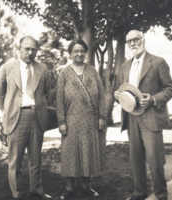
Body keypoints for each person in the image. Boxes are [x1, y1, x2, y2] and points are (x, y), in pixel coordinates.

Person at [114, 30, 172, 200]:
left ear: (143, 40)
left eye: (136, 39)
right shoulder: (125, 66)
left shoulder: (158, 62)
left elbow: (170, 89)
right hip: (131, 118)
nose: (133, 43)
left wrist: (153, 100)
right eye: (129, 41)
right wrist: (118, 97)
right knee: (136, 159)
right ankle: (139, 193)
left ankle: (161, 195)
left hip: (151, 118)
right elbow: (124, 90)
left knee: (156, 161)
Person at [0, 36, 52, 200]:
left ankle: (36, 190)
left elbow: (46, 92)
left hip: (37, 116)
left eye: (33, 49)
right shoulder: (7, 68)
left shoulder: (43, 68)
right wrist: (9, 110)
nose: (30, 52)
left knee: (36, 159)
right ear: (19, 49)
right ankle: (18, 193)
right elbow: (0, 94)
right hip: (16, 117)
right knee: (15, 160)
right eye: (26, 49)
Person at [57, 39, 107, 200]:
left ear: (85, 53)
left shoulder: (92, 71)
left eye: (82, 51)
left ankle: (86, 187)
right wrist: (61, 121)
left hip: (90, 121)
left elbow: (101, 95)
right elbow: (59, 100)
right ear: (70, 54)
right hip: (70, 121)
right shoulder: (64, 73)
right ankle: (69, 188)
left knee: (87, 152)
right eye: (75, 51)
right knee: (69, 153)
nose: (79, 54)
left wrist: (102, 117)